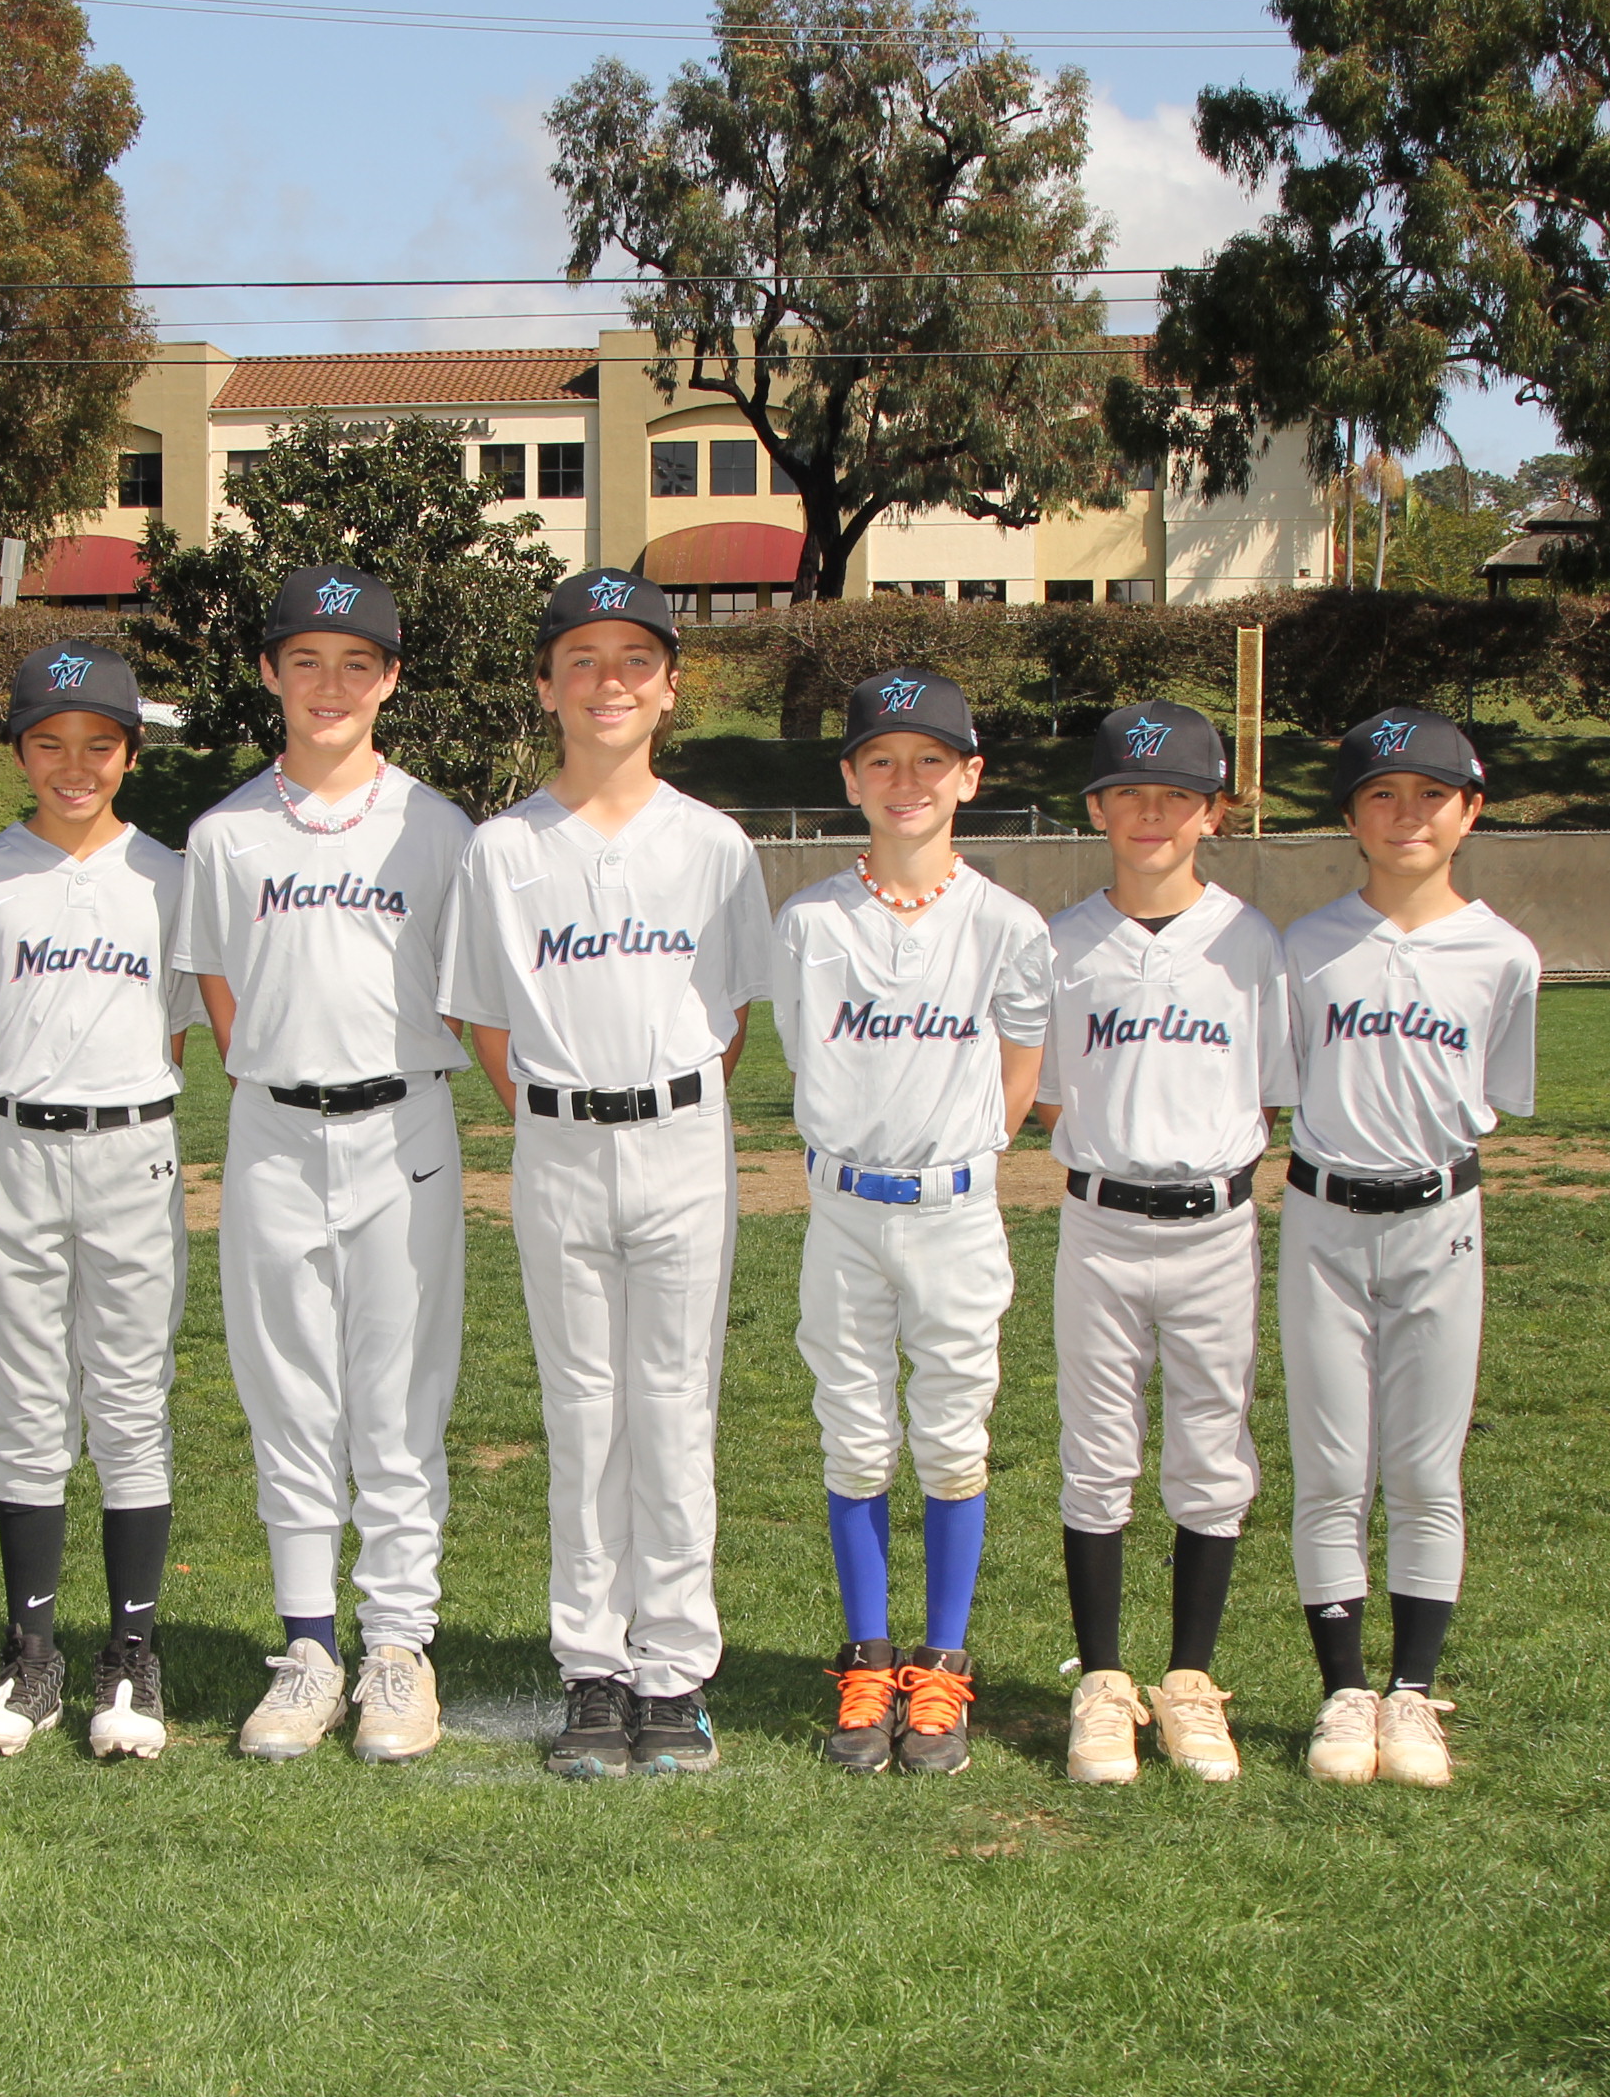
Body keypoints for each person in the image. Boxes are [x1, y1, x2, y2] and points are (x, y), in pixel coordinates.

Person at [440, 567, 775, 1779]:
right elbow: (484, 1018)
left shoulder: (715, 845)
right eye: (580, 660)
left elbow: (729, 1021)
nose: (608, 682)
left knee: (676, 1405)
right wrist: (562, 1111)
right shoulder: (501, 849)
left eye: (635, 660)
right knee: (582, 1410)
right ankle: (593, 1666)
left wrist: (650, 1105)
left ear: (671, 687)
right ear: (545, 687)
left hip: (682, 1138)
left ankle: (674, 1672)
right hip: (559, 1144)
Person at [179, 568, 474, 1764]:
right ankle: (307, 1649)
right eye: (305, 660)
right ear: (269, 672)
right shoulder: (224, 834)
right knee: (288, 1395)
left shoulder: (438, 827)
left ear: (390, 677)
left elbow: (466, 983)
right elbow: (221, 994)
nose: (331, 685)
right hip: (274, 1131)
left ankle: (398, 1647)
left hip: (405, 1128)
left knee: (400, 1400)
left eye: (358, 663)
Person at [771, 670, 1051, 1776]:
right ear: (849, 778)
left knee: (950, 1435)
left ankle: (940, 1668)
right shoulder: (809, 922)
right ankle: (867, 1660)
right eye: (881, 760)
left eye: (931, 760)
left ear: (969, 776)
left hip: (953, 1211)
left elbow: (1020, 1073)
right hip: (843, 1207)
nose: (906, 780)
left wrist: (959, 1160)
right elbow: (803, 1055)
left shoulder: (1008, 924)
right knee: (852, 1430)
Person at [0, 641, 198, 1761]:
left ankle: (131, 1654)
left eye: (99, 744)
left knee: (131, 1397)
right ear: (19, 753)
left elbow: (177, 1032)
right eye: (49, 743)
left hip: (132, 1145)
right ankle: (31, 1653)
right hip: (13, 1146)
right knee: (27, 1397)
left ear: (131, 752)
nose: (74, 765)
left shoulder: (169, 876)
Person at [1034, 700, 1295, 1788]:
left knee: (1210, 1453)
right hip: (1100, 1221)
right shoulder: (1062, 944)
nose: (1152, 814)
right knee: (1096, 1453)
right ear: (1097, 808)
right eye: (1129, 794)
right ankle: (1102, 1680)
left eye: (1176, 796)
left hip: (1214, 1225)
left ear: (1213, 813)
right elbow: (1049, 1096)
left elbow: (1267, 1094)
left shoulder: (1250, 941)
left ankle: (1191, 1680)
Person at [1278, 710, 1537, 1789]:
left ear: (1470, 811)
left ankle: (1414, 1694)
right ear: (1350, 816)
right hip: (1324, 1219)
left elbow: (1493, 1096)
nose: (1407, 815)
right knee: (1334, 1466)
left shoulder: (1504, 955)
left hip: (1441, 1218)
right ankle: (1344, 1693)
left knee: (1428, 1468)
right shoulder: (1307, 947)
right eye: (1382, 794)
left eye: (1433, 795)